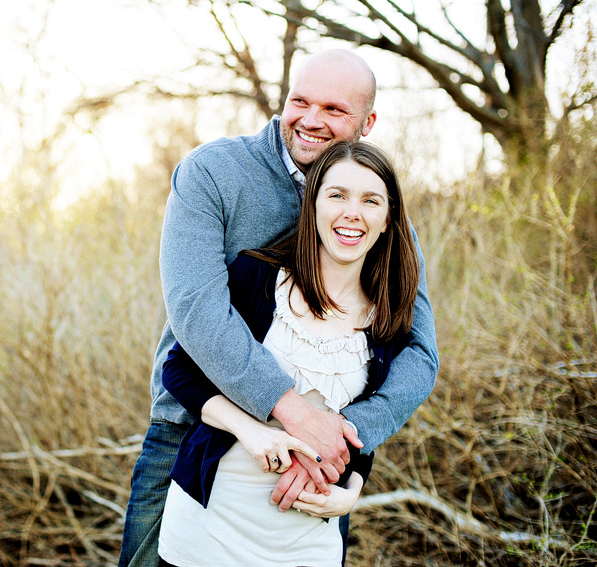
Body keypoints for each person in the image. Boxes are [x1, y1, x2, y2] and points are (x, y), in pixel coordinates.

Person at [118, 49, 439, 567]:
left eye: (335, 110)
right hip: (193, 434)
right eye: (300, 101)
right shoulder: (212, 174)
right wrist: (292, 412)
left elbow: (418, 352)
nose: (311, 120)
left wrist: (346, 442)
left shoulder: (379, 214)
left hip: (319, 462)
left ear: (367, 122)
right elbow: (195, 313)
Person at [157, 141, 420, 566]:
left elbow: (361, 424)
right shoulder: (257, 278)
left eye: (370, 200)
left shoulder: (387, 316)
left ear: (388, 219)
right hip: (209, 529)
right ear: (312, 205)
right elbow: (179, 370)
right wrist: (251, 430)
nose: (352, 212)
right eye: (337, 195)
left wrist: (351, 491)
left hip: (310, 543)